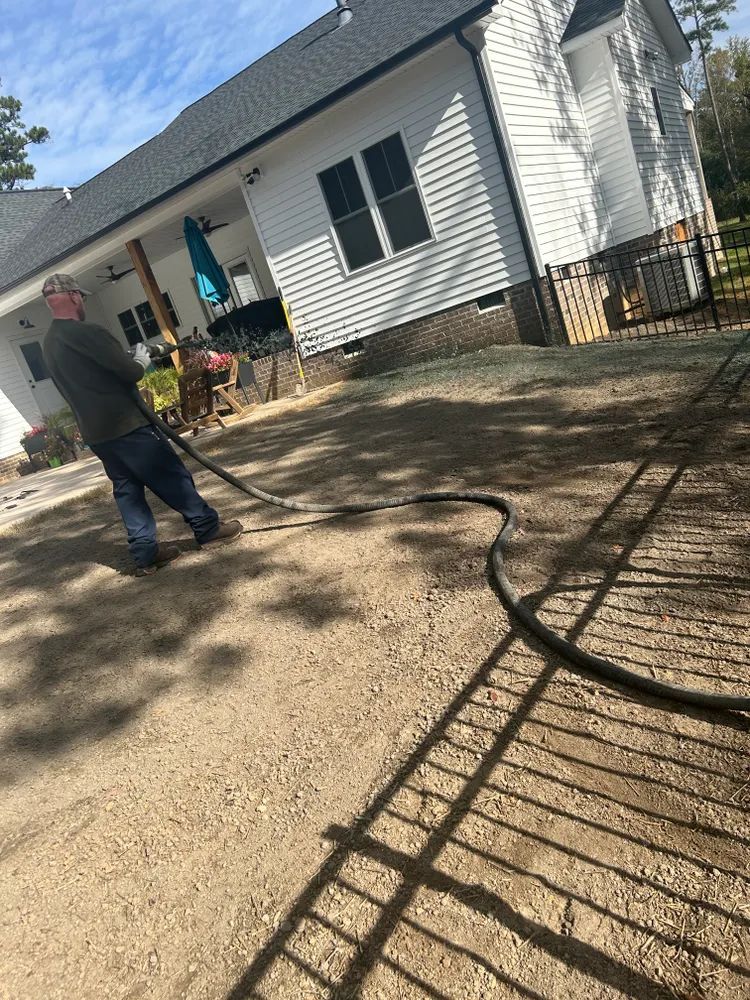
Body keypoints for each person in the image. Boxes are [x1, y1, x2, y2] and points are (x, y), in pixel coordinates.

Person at [41, 273, 242, 577]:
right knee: (171, 476)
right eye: (80, 296)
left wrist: (150, 351)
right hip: (126, 425)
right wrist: (141, 361)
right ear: (72, 296)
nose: (83, 301)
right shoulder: (87, 332)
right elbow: (130, 372)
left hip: (97, 434)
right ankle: (208, 528)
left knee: (128, 490)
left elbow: (99, 369)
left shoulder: (50, 344)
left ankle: (145, 552)